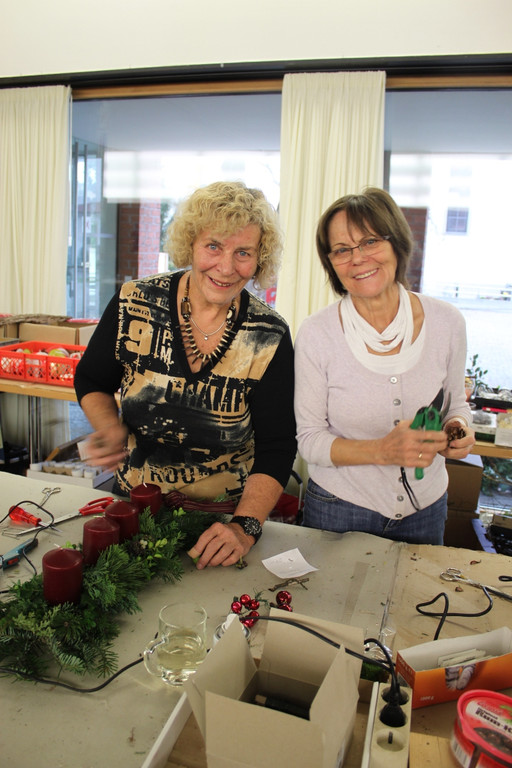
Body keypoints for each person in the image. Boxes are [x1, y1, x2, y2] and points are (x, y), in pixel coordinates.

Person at [74, 181, 296, 568]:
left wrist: (245, 527)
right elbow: (92, 380)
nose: (226, 267)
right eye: (213, 246)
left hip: (223, 522)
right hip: (135, 506)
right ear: (190, 244)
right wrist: (109, 427)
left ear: (259, 260)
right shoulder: (134, 302)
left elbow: (277, 446)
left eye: (243, 253)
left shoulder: (269, 335)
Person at [294, 187, 475, 545]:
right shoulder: (316, 333)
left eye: (370, 241)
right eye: (342, 249)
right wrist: (382, 450)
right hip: (339, 508)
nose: (358, 258)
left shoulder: (447, 322)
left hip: (426, 509)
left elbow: (456, 405)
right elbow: (310, 440)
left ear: (396, 244)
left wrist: (457, 430)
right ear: (331, 262)